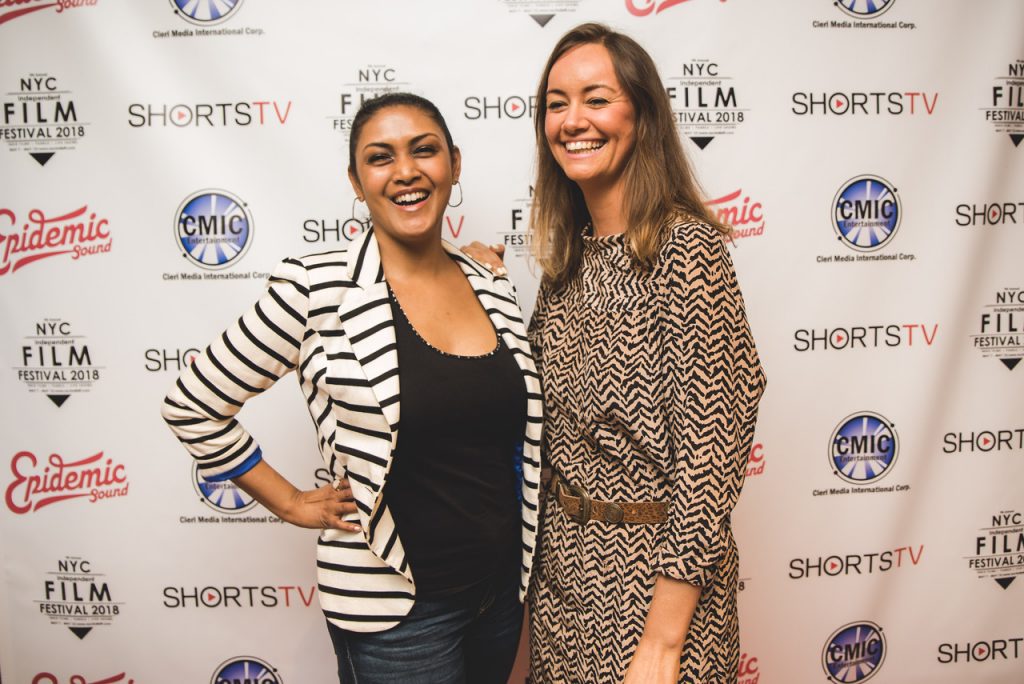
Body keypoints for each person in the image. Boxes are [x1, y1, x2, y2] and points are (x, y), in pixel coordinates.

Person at [161, 92, 542, 684]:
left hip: (500, 595)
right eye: (379, 157)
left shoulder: (489, 280)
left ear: (455, 164)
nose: (407, 171)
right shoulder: (315, 286)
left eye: (425, 150)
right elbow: (192, 404)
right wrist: (288, 501)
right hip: (398, 618)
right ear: (355, 181)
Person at [469, 22, 765, 684]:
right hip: (563, 577)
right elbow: (553, 409)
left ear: (643, 114)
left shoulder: (685, 252)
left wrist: (662, 642)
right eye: (556, 103)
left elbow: (709, 463)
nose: (573, 121)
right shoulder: (568, 262)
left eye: (596, 99)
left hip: (655, 586)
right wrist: (480, 290)